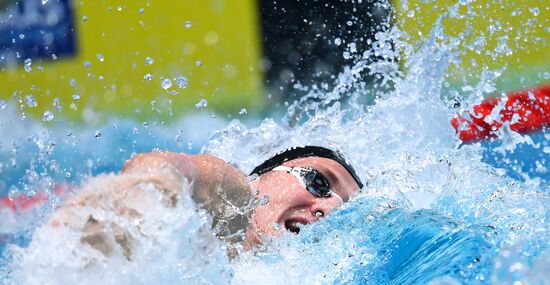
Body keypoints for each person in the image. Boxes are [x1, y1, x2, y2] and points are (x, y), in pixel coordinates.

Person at [47, 146, 363, 257]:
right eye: (319, 182)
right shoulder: (236, 200)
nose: (329, 208)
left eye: (346, 211)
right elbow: (180, 169)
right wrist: (137, 196)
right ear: (261, 177)